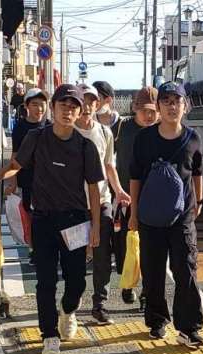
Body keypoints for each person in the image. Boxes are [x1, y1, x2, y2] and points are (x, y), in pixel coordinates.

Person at [0, 84, 104, 354]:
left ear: (79, 113)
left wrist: (96, 227)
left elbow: (94, 189)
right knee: (46, 280)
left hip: (75, 221)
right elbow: (16, 165)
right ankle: (49, 337)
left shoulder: (85, 146)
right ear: (53, 108)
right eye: (63, 105)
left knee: (76, 282)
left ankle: (68, 310)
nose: (68, 111)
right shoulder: (37, 137)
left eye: (73, 107)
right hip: (43, 219)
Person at [129, 81, 203, 348]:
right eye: (166, 101)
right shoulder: (144, 139)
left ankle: (189, 328)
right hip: (150, 216)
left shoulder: (192, 138)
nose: (172, 107)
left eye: (177, 101)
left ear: (185, 106)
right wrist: (133, 213)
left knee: (186, 268)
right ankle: (157, 320)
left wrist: (199, 200)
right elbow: (135, 177)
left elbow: (197, 171)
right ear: (159, 106)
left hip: (182, 215)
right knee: (153, 271)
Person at [75, 84, 131, 325]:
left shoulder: (105, 133)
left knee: (103, 253)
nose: (87, 106)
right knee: (75, 254)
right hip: (74, 203)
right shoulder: (66, 132)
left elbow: (109, 166)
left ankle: (99, 303)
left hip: (102, 199)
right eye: (82, 101)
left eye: (91, 101)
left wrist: (119, 190)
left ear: (97, 104)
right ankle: (73, 296)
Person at [111, 86, 159, 307]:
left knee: (150, 248)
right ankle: (128, 284)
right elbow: (106, 155)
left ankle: (147, 293)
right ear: (135, 108)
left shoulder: (161, 131)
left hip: (153, 199)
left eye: (152, 111)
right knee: (124, 244)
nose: (148, 115)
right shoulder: (122, 127)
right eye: (144, 110)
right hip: (125, 197)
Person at [6, 88, 50, 265]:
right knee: (30, 215)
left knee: (47, 215)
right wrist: (12, 181)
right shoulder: (20, 127)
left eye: (42, 104)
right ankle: (34, 249)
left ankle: (46, 248)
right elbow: (15, 155)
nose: (39, 108)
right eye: (35, 104)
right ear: (26, 106)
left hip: (48, 181)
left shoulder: (50, 126)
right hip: (27, 179)